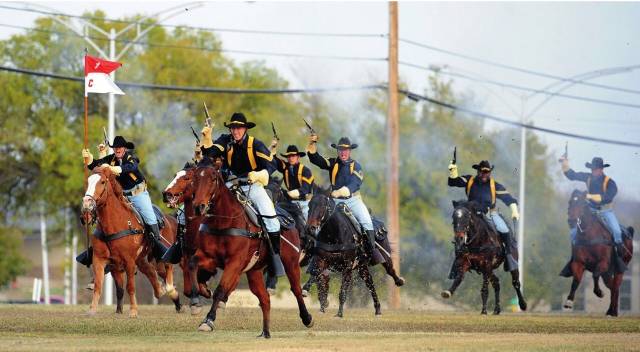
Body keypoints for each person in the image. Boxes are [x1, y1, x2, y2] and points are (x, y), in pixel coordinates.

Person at [200, 112, 285, 277]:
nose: (236, 131)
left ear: (245, 129)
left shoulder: (255, 144)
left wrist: (260, 175)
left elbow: (272, 164)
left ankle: (275, 258)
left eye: (239, 128)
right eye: (233, 128)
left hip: (253, 185)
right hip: (230, 186)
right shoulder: (225, 140)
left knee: (272, 219)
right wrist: (207, 137)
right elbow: (210, 155)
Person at [81, 136, 169, 262]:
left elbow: (131, 167)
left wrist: (115, 169)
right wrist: (88, 159)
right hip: (121, 195)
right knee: (106, 217)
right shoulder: (110, 159)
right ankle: (98, 249)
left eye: (120, 148)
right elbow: (96, 166)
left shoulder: (130, 157)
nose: (117, 150)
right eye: (115, 148)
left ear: (124, 148)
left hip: (138, 194)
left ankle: (156, 245)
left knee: (150, 218)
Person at [306, 134, 381, 264]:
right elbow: (316, 159)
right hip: (335, 202)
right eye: (340, 150)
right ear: (338, 151)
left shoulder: (356, 166)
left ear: (349, 151)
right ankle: (315, 256)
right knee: (320, 221)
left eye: (345, 150)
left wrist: (340, 191)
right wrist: (312, 144)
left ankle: (371, 253)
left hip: (353, 200)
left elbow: (355, 184)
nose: (343, 152)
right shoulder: (333, 162)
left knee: (366, 222)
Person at [448, 160, 520, 274]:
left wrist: (514, 210)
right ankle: (457, 262)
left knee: (504, 230)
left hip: (490, 213)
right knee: (459, 231)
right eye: (482, 171)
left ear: (490, 172)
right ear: (478, 171)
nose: (484, 174)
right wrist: (453, 171)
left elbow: (508, 198)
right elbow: (453, 182)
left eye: (487, 172)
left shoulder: (494, 185)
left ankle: (508, 257)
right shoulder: (470, 180)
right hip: (471, 214)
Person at [560, 156, 625, 270]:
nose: (593, 171)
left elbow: (607, 198)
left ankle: (618, 259)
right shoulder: (588, 177)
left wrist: (589, 196)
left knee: (616, 231)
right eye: (592, 169)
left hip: (605, 211)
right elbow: (572, 175)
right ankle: (575, 258)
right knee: (574, 232)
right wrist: (565, 164)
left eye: (595, 169)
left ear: (601, 169)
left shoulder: (610, 183)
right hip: (590, 209)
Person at [273, 145, 315, 220]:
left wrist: (293, 193)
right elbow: (274, 160)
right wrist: (273, 148)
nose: (290, 158)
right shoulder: (285, 167)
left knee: (306, 220)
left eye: (293, 156)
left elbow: (305, 189)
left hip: (304, 203)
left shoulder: (305, 170)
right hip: (290, 203)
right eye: (288, 156)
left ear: (298, 157)